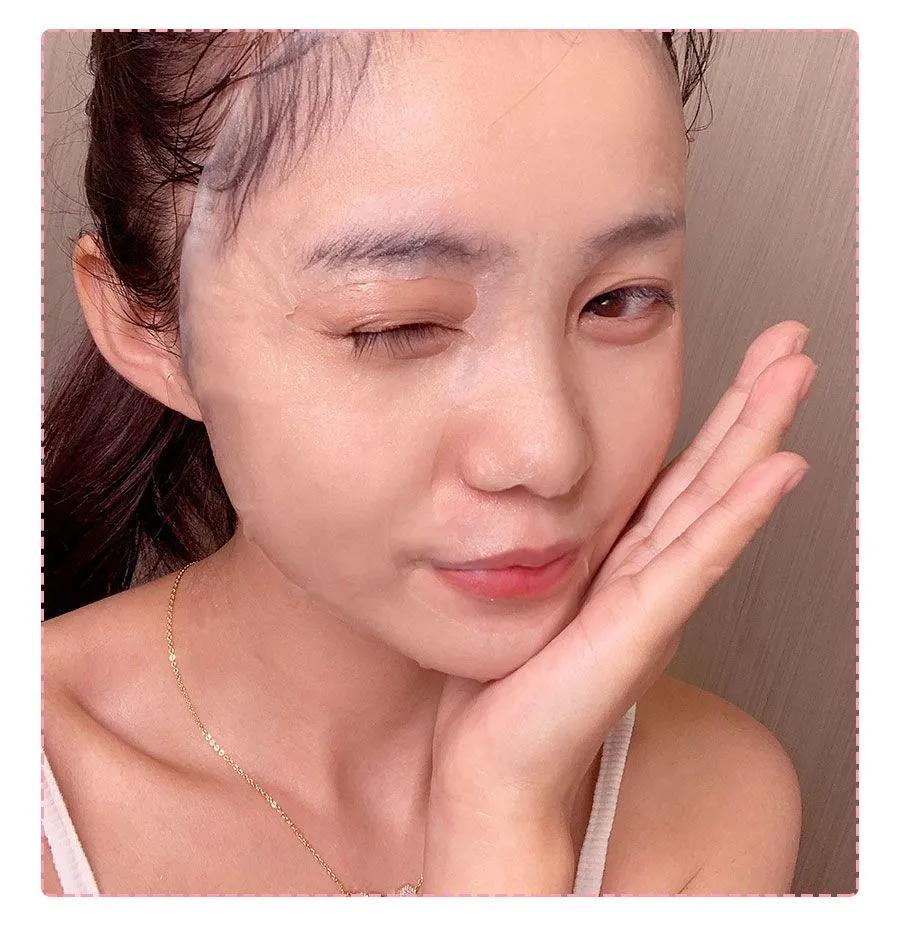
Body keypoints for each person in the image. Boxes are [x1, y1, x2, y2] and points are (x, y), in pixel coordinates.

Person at [42, 29, 813, 896]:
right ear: (149, 329)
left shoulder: (718, 802)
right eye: (397, 324)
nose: (548, 453)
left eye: (619, 299)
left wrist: (501, 815)